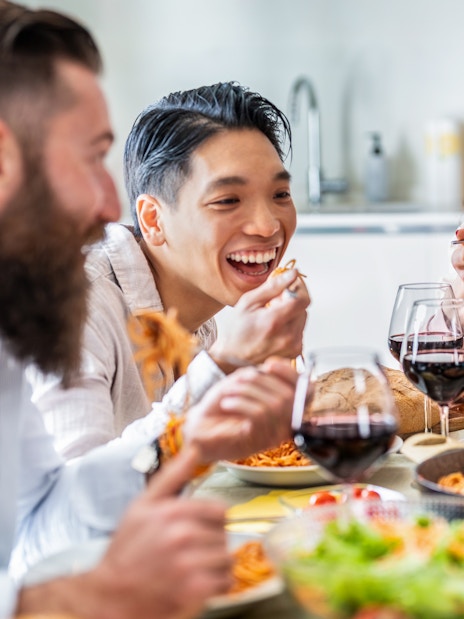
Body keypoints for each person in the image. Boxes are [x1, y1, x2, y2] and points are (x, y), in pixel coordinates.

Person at [0, 3, 298, 617]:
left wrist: (197, 428)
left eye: (280, 193)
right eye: (90, 157)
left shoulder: (199, 306)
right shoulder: (78, 299)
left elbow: (42, 523)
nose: (108, 203)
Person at [28, 81, 310, 459]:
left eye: (280, 195)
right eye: (228, 200)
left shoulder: (197, 305)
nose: (268, 226)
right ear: (153, 219)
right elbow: (76, 493)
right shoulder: (73, 307)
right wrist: (222, 363)